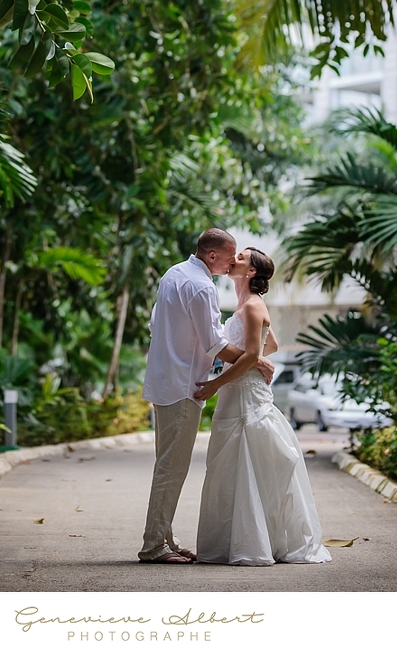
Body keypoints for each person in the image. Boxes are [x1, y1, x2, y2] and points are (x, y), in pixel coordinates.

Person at [138, 227, 275, 564]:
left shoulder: (174, 273)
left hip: (164, 381)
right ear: (213, 256)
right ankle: (154, 545)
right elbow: (214, 344)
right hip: (184, 387)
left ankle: (165, 538)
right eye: (231, 257)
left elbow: (156, 325)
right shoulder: (201, 287)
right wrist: (253, 360)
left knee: (167, 465)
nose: (232, 263)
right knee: (171, 469)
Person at [194, 246, 331, 566]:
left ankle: (255, 542)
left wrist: (218, 382)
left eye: (240, 258)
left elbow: (256, 353)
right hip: (234, 392)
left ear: (252, 271)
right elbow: (270, 346)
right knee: (227, 467)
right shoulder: (243, 306)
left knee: (250, 465)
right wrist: (256, 360)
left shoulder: (253, 307)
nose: (233, 260)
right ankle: (234, 541)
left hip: (245, 395)